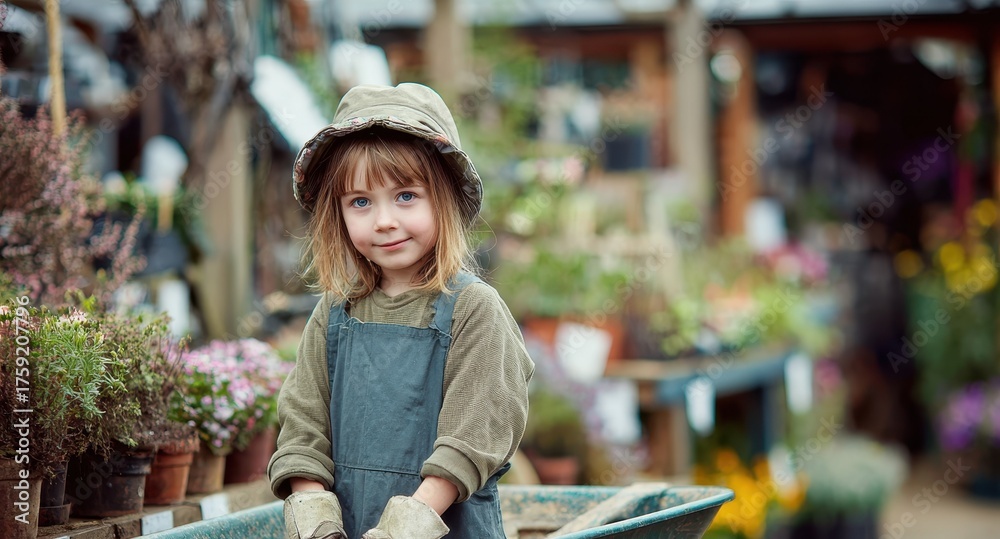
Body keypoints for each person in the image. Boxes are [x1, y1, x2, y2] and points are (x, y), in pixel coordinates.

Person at [267, 83, 535, 539]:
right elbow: (303, 424)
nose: (384, 219)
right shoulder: (335, 313)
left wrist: (406, 526)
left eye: (406, 195)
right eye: (361, 202)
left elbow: (472, 437)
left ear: (444, 199)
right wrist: (313, 509)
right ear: (339, 214)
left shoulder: (473, 310)